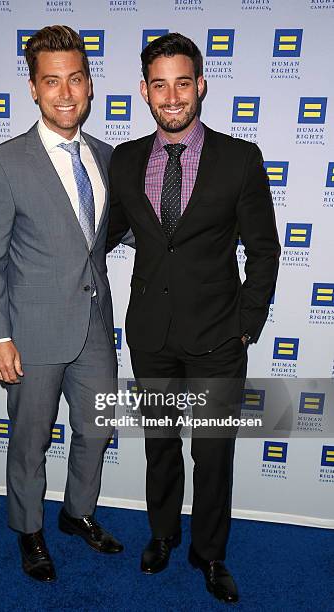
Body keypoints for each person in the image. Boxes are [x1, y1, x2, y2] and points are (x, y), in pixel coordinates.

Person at [107, 32, 280, 603]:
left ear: (201, 85)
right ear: (144, 91)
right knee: (160, 444)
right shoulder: (127, 159)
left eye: (183, 82)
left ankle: (209, 554)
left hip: (217, 339)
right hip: (150, 336)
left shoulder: (240, 158)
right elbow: (103, 236)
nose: (172, 95)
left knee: (213, 452)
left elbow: (264, 250)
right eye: (160, 84)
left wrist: (245, 326)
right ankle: (162, 535)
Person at [0, 25, 123, 584]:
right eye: (51, 81)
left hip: (94, 325)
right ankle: (29, 529)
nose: (66, 93)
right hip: (30, 332)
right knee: (30, 439)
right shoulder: (5, 162)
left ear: (89, 84)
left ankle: (76, 513)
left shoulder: (109, 158)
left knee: (96, 429)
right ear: (33, 88)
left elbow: (122, 232)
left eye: (75, 79)